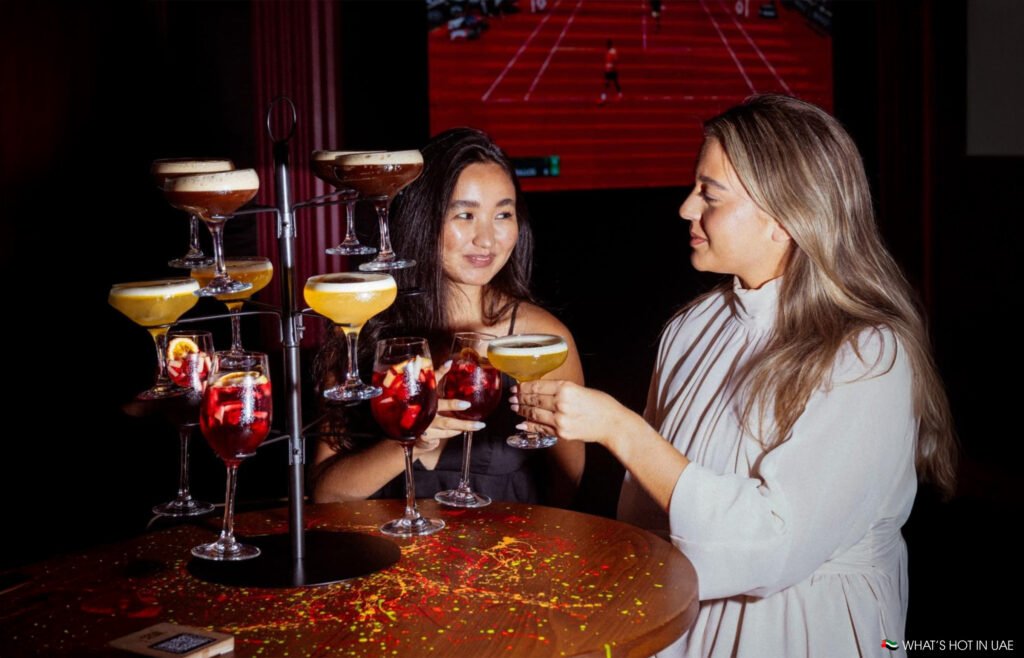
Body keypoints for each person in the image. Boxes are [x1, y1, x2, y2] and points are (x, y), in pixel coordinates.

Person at [513, 95, 957, 657]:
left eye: (710, 194)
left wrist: (621, 430)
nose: (685, 208)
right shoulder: (691, 326)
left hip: (803, 630)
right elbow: (649, 515)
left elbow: (774, 544)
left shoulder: (867, 354)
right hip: (686, 620)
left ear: (785, 219)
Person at [312, 127, 585, 507]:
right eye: (465, 215)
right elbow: (326, 493)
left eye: (503, 214)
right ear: (424, 219)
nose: (487, 239)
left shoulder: (543, 341)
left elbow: (568, 489)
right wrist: (411, 440)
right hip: (395, 556)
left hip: (509, 558)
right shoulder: (368, 330)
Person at [599, 39, 622, 105]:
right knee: (614, 82)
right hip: (610, 69)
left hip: (611, 70)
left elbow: (615, 59)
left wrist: (612, 67)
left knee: (607, 84)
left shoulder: (612, 51)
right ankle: (620, 95)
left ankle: (603, 98)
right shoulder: (610, 51)